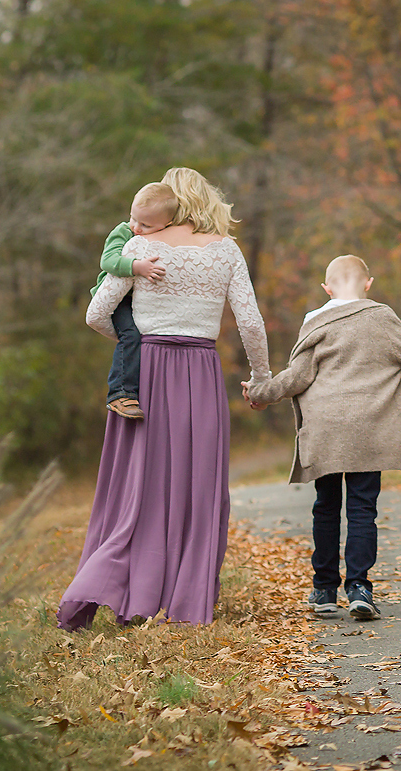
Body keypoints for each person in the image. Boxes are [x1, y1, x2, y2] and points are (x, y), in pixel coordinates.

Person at [60, 167, 271, 630]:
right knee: (196, 486)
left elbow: (97, 313)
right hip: (200, 372)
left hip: (146, 376)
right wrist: (260, 378)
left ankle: (123, 589)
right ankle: (186, 597)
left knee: (139, 485)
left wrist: (133, 342)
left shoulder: (139, 247)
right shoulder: (226, 251)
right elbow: (251, 324)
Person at [244, 255, 401, 621]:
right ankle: (360, 588)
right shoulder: (382, 317)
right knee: (363, 509)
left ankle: (324, 589)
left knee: (326, 508)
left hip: (326, 430)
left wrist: (260, 392)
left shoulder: (315, 322)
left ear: (326, 288)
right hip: (370, 430)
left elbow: (296, 377)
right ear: (368, 283)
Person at [94, 182, 176, 419]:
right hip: (118, 301)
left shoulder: (165, 239)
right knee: (130, 335)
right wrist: (136, 266)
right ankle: (119, 393)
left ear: (167, 225)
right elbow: (107, 260)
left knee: (145, 336)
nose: (136, 227)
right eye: (134, 218)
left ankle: (146, 390)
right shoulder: (123, 231)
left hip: (140, 301)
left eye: (145, 224)